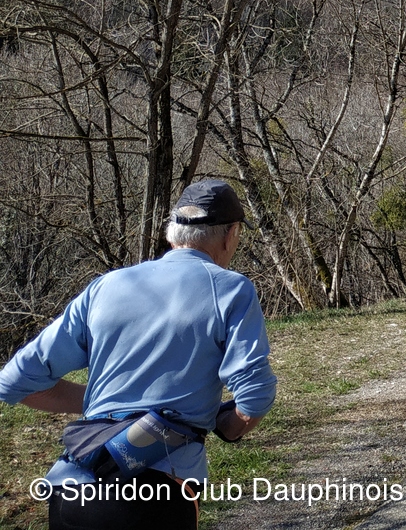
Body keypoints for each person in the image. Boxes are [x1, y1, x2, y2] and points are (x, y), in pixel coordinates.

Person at [0, 179, 277, 529]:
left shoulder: (108, 285)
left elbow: (14, 382)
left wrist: (107, 406)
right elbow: (255, 395)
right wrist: (230, 427)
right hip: (155, 495)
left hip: (71, 488)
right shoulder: (230, 289)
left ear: (172, 234)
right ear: (231, 234)